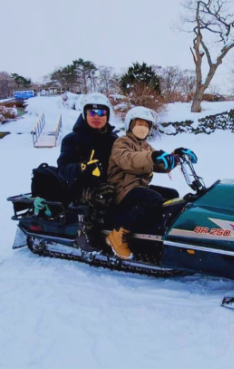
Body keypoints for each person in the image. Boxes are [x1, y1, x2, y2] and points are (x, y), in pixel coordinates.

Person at [105, 106, 196, 260]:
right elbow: (127, 160)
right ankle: (118, 234)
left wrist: (176, 157)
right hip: (120, 190)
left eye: (146, 125)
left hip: (137, 188)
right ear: (131, 124)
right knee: (152, 198)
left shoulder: (145, 146)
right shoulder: (121, 143)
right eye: (139, 123)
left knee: (171, 195)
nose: (143, 128)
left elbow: (160, 164)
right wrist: (152, 156)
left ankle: (154, 231)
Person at [56, 93, 118, 251]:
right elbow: (63, 169)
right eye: (92, 112)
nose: (96, 116)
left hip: (108, 181)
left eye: (101, 113)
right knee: (107, 192)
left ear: (107, 115)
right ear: (84, 114)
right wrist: (83, 168)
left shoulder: (113, 139)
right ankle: (86, 232)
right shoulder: (72, 139)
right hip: (78, 187)